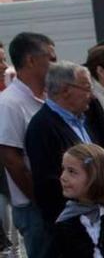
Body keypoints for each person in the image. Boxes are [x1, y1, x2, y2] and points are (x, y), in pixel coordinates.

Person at [25, 61, 103, 242]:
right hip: (72, 226)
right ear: (66, 90)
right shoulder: (42, 127)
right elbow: (48, 184)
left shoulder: (84, 118)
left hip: (97, 216)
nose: (91, 96)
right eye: (86, 88)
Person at [0, 32, 55, 258]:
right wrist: (39, 198)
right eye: (50, 58)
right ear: (31, 60)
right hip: (36, 209)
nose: (55, 64)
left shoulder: (47, 97)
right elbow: (11, 159)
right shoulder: (10, 104)